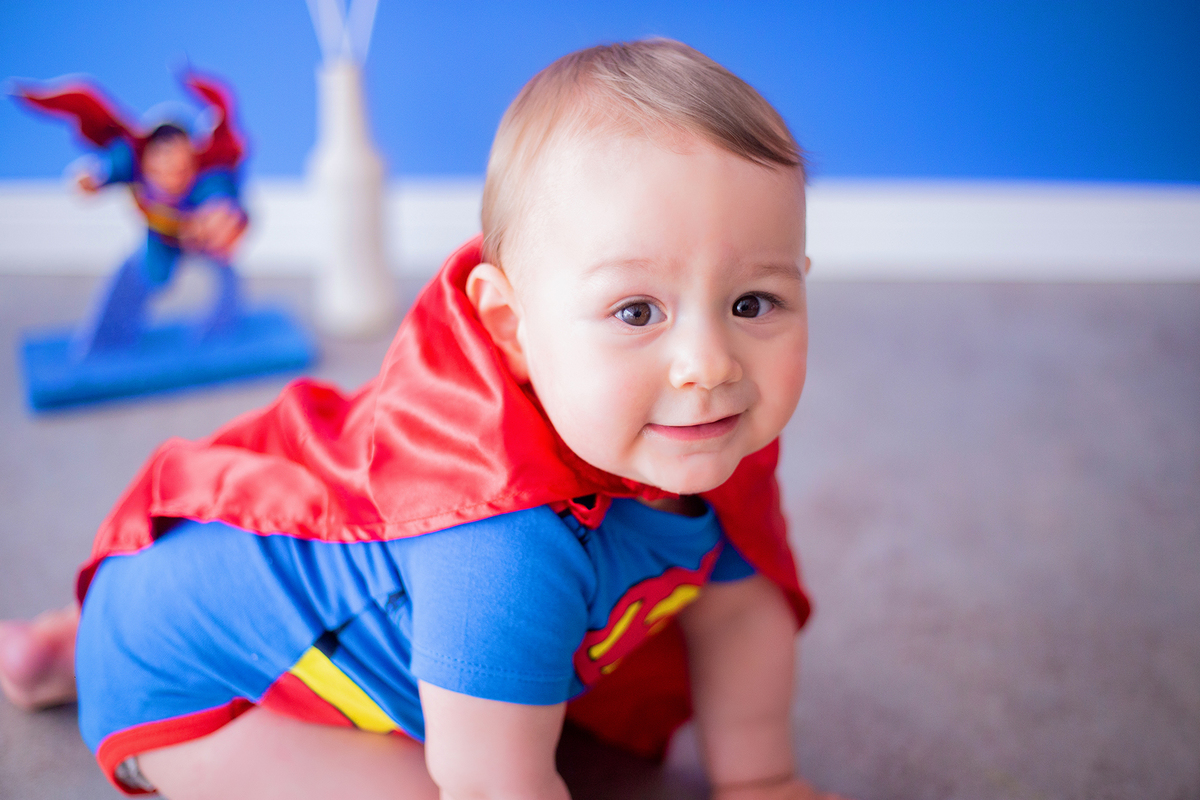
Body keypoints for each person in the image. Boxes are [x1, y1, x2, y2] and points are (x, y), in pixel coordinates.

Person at [3, 39, 845, 800]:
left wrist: (761, 778)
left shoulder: (708, 434)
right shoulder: (500, 541)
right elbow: (492, 787)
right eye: (636, 312)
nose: (710, 364)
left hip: (256, 605)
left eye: (753, 302)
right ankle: (95, 664)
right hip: (200, 683)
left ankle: (57, 650)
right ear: (511, 328)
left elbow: (739, 609)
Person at [12, 71, 248, 357]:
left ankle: (221, 330)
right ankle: (112, 335)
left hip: (203, 238)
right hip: (161, 237)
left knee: (224, 273)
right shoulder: (133, 163)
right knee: (146, 273)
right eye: (161, 165)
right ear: (146, 159)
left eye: (180, 167)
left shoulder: (205, 179)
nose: (170, 173)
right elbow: (110, 168)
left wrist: (218, 216)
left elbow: (218, 193)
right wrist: (94, 177)